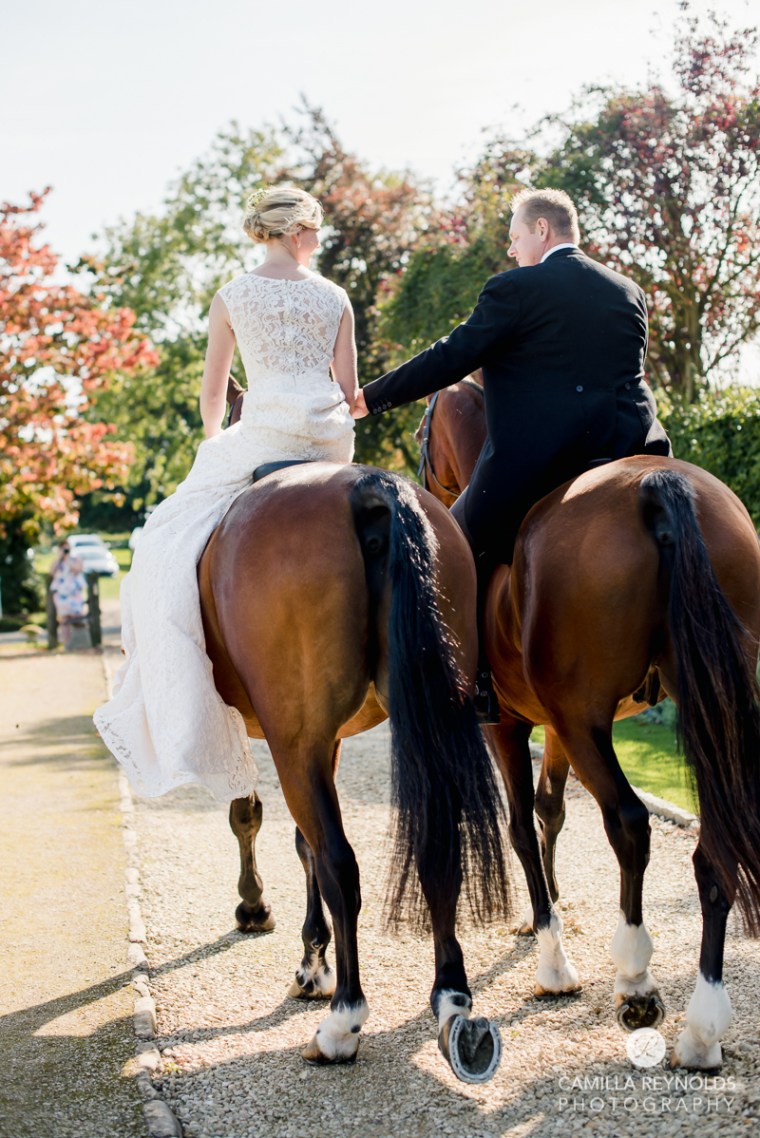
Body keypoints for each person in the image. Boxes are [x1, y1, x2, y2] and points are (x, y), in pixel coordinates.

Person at [353, 188, 671, 720]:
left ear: (542, 231)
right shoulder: (629, 290)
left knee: (449, 545)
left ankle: (476, 682)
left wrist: (371, 398)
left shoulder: (514, 289)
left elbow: (450, 357)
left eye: (515, 236)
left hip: (542, 462)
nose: (510, 249)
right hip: (633, 451)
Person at [94, 187, 358, 799]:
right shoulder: (335, 296)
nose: (319, 242)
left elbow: (215, 395)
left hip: (261, 433)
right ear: (296, 231)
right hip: (328, 441)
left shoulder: (233, 295)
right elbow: (348, 389)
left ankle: (178, 691)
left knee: (162, 540)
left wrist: (215, 441)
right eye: (315, 232)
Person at [50, 541, 87, 648]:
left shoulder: (76, 558)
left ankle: (79, 643)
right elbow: (51, 572)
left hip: (74, 592)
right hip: (62, 593)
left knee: (77, 616)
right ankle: (66, 643)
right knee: (64, 619)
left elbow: (78, 569)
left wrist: (67, 559)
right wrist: (60, 557)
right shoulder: (58, 561)